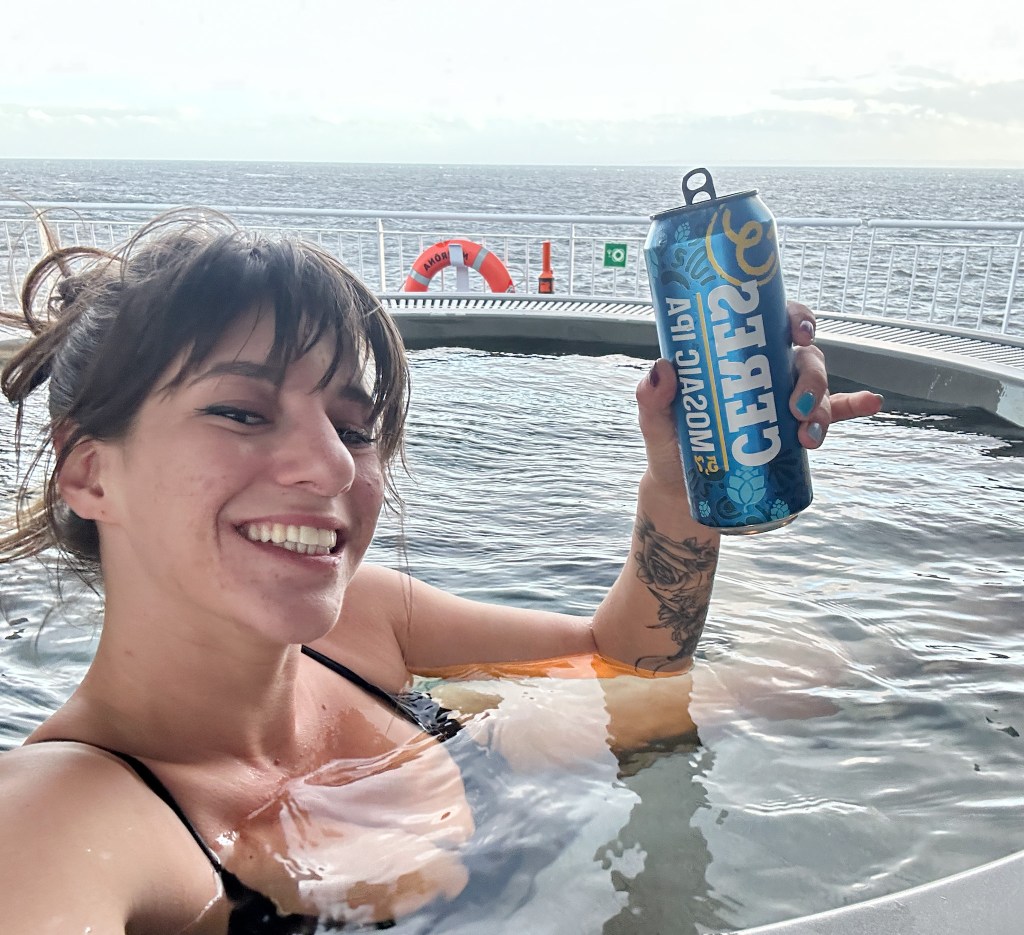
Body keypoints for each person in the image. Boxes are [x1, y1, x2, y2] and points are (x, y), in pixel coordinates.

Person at [0, 210, 882, 933]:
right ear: (89, 472)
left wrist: (683, 483)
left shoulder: (365, 621)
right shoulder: (57, 821)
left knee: (814, 675)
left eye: (353, 427)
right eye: (240, 411)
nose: (332, 464)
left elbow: (630, 655)